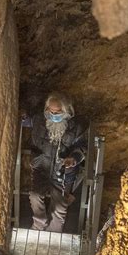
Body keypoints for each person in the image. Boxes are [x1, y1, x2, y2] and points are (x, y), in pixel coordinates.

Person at [25, 92, 88, 232]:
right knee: (35, 195)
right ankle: (39, 223)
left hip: (64, 172)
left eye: (57, 112)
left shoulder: (76, 127)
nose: (53, 115)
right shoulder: (39, 121)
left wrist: (73, 159)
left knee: (59, 206)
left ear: (66, 111)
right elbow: (25, 120)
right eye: (50, 111)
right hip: (42, 167)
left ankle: (54, 232)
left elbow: (82, 148)